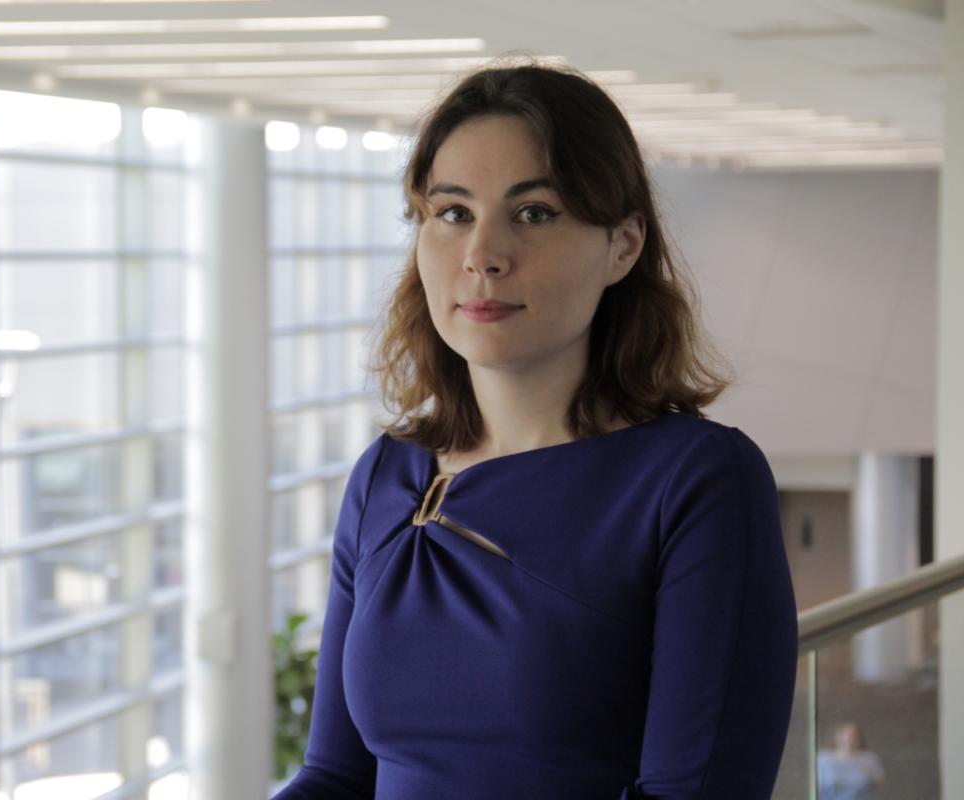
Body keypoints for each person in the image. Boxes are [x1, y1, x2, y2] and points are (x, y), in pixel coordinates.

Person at [272, 60, 798, 799]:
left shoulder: (695, 480)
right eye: (452, 212)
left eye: (534, 213)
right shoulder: (388, 475)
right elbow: (334, 776)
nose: (483, 256)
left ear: (623, 245)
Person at [817, 722, 885, 799]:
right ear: (837, 736)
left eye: (853, 736)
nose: (849, 739)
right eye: (845, 735)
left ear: (860, 738)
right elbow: (816, 785)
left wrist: (870, 774)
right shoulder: (823, 759)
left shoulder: (870, 759)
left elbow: (880, 786)